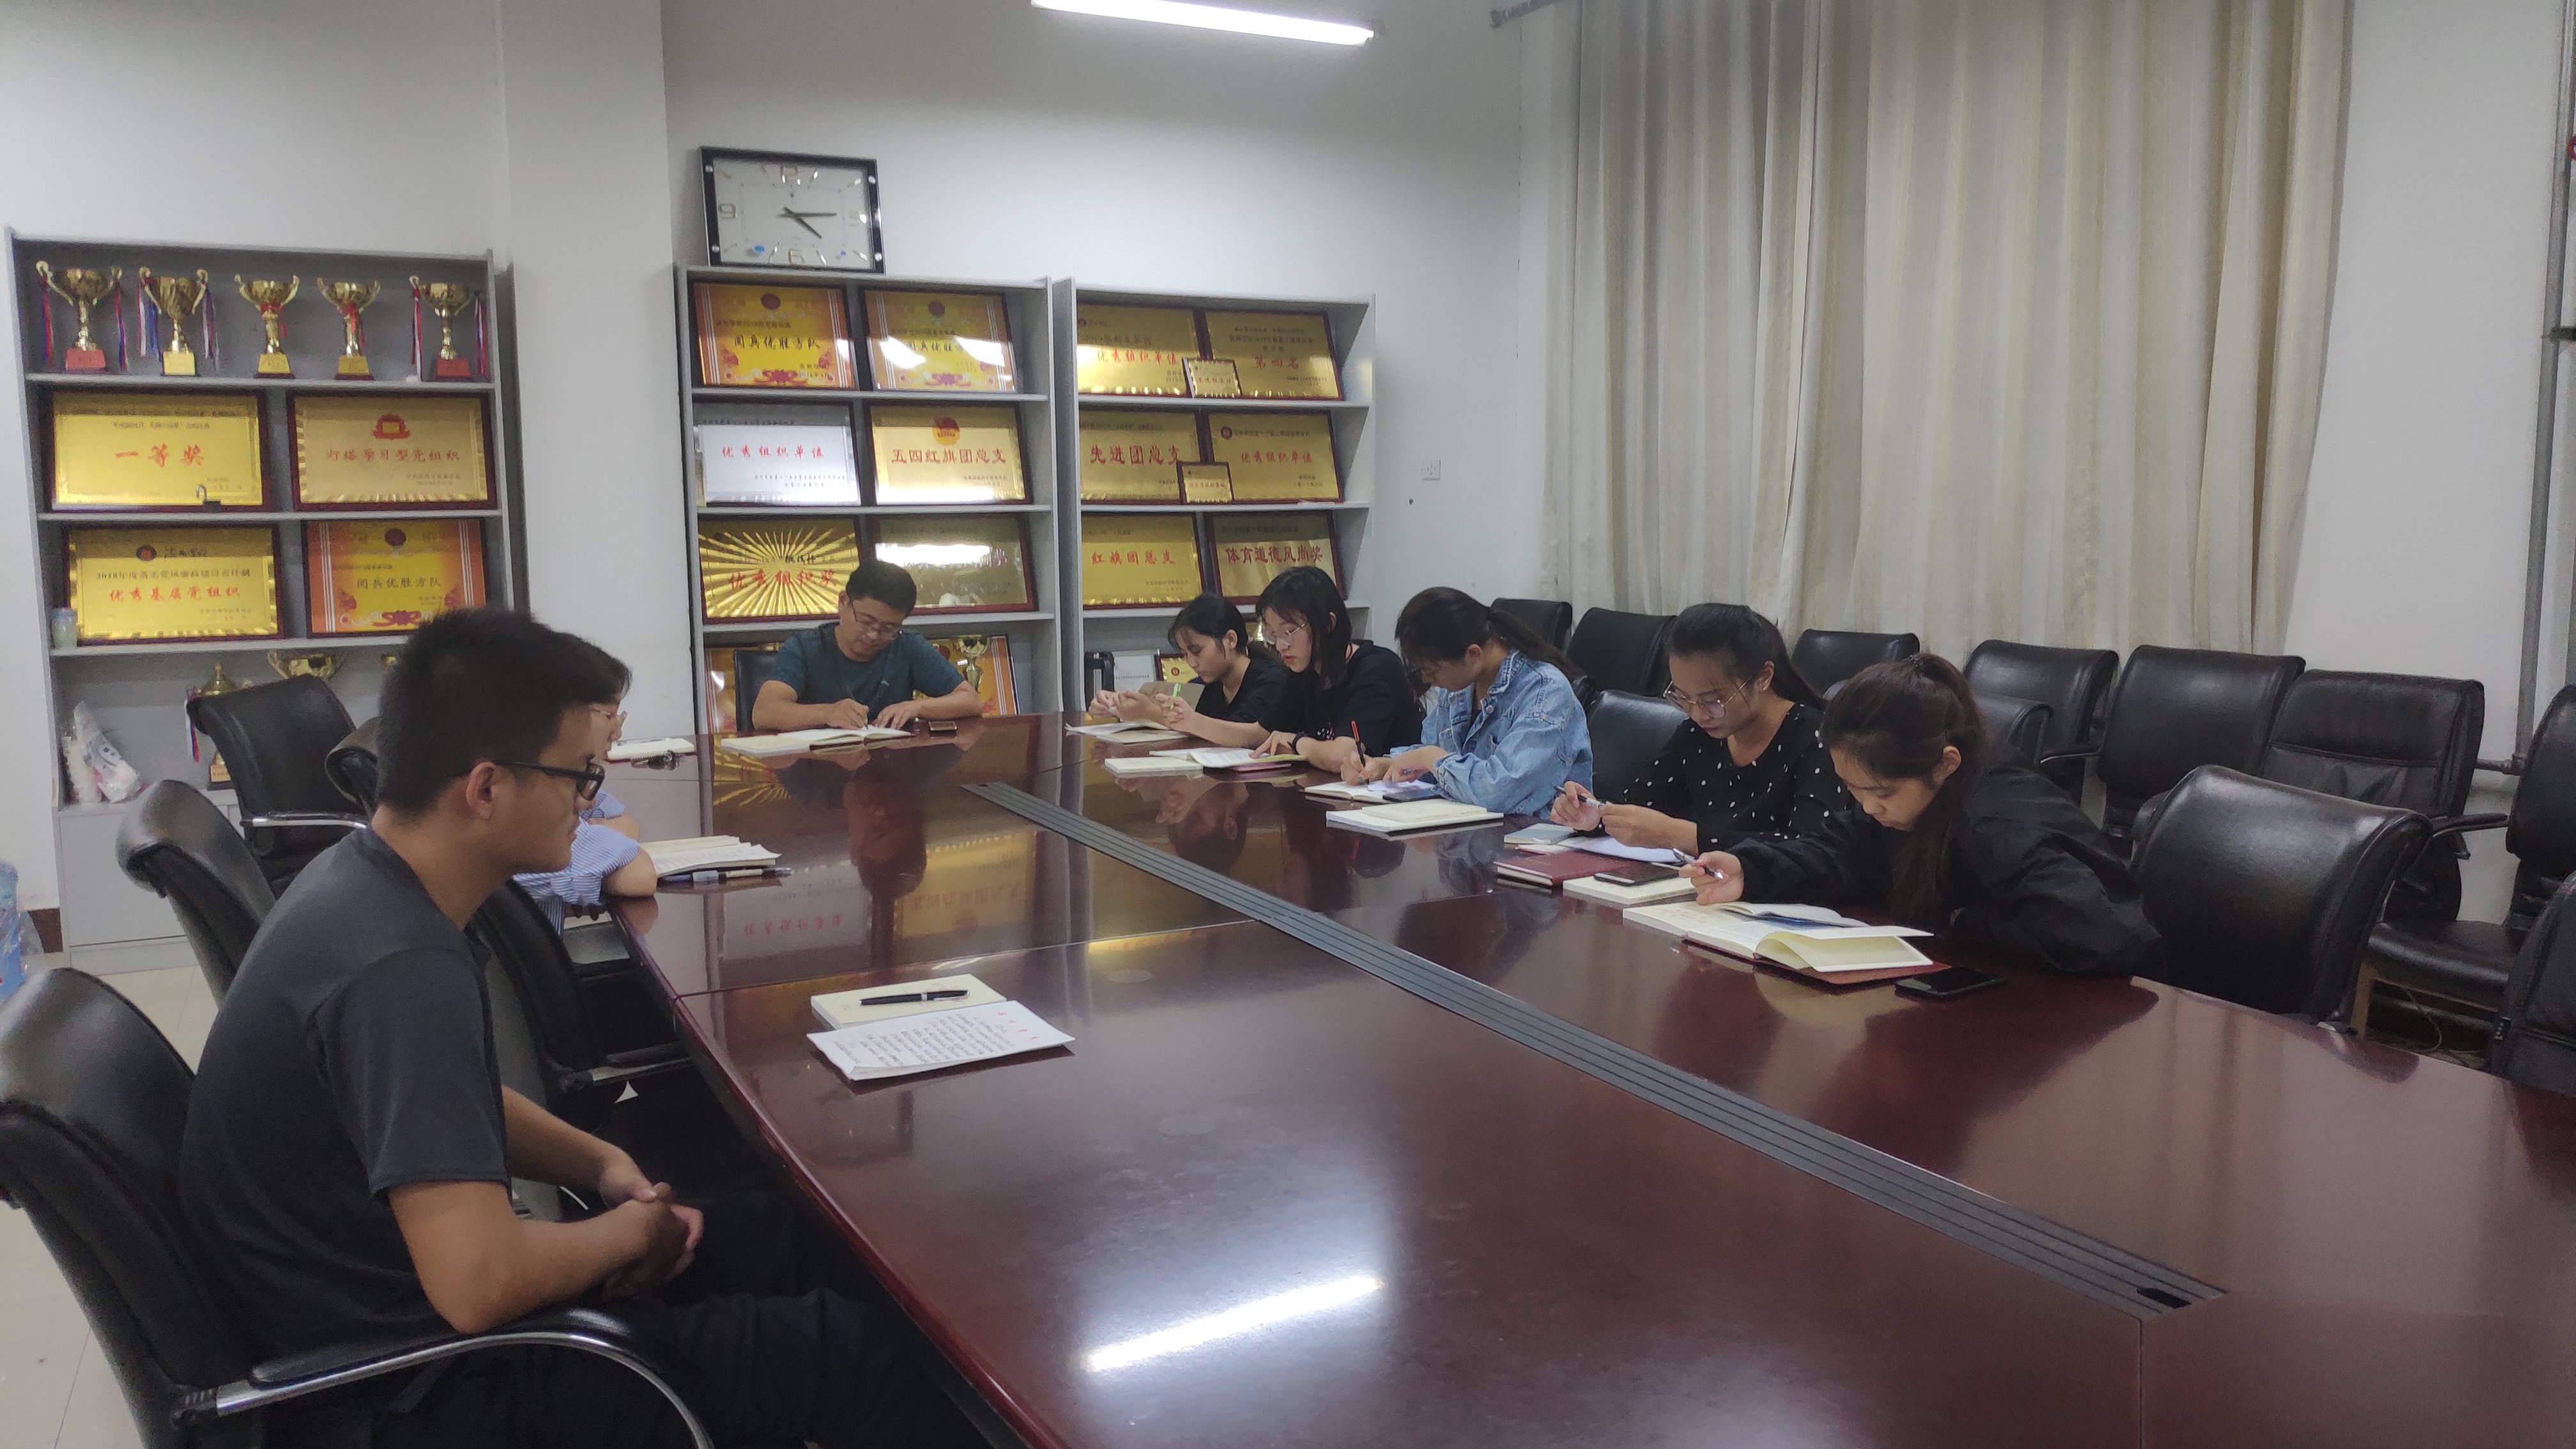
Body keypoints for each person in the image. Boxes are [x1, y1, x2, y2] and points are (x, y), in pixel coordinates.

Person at [179, 607, 978, 1449]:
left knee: (784, 1240)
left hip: (402, 1326)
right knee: (853, 1358)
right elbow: (480, 1284)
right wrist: (627, 1233)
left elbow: (443, 1103)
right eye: (577, 777)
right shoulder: (399, 968)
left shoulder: (363, 885)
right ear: (486, 789)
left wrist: (598, 1163)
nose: (588, 801)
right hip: (428, 1390)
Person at [1682, 654, 2159, 977]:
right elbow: (1845, 852)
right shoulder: (1906, 799)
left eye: (1881, 793)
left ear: (1945, 764)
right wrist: (1751, 869)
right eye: (1851, 788)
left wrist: (1964, 919)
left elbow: (2103, 936)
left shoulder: (1994, 823)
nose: (1868, 807)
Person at [1552, 602, 1847, 854]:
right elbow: (1639, 806)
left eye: (1712, 701)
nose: (1697, 715)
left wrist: (1682, 836)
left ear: (1763, 678)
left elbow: (1812, 850)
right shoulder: (1698, 735)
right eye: (1682, 698)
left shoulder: (1818, 739)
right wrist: (1595, 815)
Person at [1354, 587, 1592, 815]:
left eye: (1432, 671)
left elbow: (1497, 792)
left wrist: (1430, 758)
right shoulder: (1462, 683)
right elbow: (1436, 756)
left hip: (1529, 836)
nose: (1427, 680)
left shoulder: (1545, 692)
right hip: (1465, 830)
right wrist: (1388, 765)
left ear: (1473, 654)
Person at [1172, 566, 1420, 773]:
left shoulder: (1374, 669)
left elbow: (1342, 756)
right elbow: (1260, 733)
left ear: (1328, 624)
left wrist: (1298, 741)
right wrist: (1191, 722)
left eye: (1289, 632)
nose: (1281, 646)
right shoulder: (1304, 673)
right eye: (1273, 634)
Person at [514, 641, 656, 929]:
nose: (617, 732)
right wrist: (607, 836)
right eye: (610, 715)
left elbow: (625, 823)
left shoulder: (546, 781)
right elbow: (640, 874)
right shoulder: (532, 815)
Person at [752, 560, 985, 732]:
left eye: (888, 628)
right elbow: (764, 712)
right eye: (866, 621)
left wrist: (916, 708)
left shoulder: (907, 646)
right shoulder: (804, 648)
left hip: (888, 770)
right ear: (843, 602)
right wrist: (827, 713)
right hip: (819, 771)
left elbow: (971, 701)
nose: (874, 635)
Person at [1089, 592, 1289, 739]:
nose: (1192, 663)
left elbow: (1244, 734)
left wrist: (1150, 713)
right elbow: (1164, 707)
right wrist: (1116, 705)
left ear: (1230, 640)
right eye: (1185, 654)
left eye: (1197, 651)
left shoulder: (1272, 681)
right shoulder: (1204, 686)